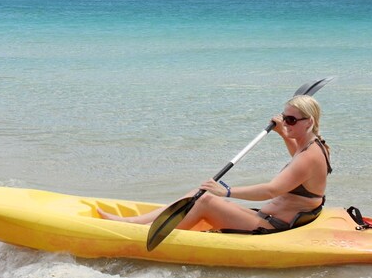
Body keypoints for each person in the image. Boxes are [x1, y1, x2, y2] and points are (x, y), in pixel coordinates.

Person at [97, 95, 331, 232]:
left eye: (291, 120)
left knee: (207, 199)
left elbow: (271, 190)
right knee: (200, 192)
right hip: (267, 217)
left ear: (309, 121)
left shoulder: (309, 157)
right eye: (284, 117)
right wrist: (283, 133)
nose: (286, 123)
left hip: (271, 228)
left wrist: (227, 191)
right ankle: (134, 223)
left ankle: (145, 232)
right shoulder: (314, 145)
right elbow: (297, 163)